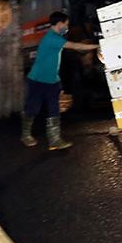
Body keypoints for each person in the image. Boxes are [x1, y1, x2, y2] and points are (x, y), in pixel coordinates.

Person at [22, 11, 99, 150]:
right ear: (59, 23)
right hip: (38, 80)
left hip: (52, 80)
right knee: (33, 108)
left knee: (54, 110)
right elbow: (75, 46)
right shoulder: (52, 38)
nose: (67, 27)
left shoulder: (56, 37)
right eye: (66, 24)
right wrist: (97, 46)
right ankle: (26, 135)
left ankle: (55, 140)